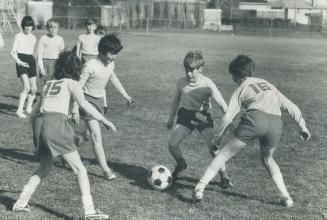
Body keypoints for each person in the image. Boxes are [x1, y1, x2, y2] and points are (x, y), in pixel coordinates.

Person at [193, 55, 311, 207]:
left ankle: (199, 187)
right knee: (268, 159)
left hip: (255, 120)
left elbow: (228, 117)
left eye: (232, 76)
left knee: (223, 154)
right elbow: (290, 105)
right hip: (275, 123)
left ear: (236, 75)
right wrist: (302, 126)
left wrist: (218, 137)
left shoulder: (240, 89)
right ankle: (286, 196)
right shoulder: (267, 84)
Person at [12, 51, 114, 219]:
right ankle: (90, 212)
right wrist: (105, 120)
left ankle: (21, 202)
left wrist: (39, 133)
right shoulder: (73, 84)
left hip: (40, 124)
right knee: (80, 169)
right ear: (76, 68)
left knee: (45, 166)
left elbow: (32, 115)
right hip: (56, 124)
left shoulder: (48, 84)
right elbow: (85, 105)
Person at [166, 50, 233, 188]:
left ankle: (224, 176)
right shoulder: (181, 82)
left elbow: (222, 104)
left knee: (213, 147)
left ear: (200, 69)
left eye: (192, 70)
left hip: (203, 117)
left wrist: (230, 123)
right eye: (186, 69)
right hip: (185, 116)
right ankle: (181, 164)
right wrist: (171, 118)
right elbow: (176, 100)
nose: (189, 73)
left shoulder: (207, 84)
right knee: (172, 144)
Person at [73, 34, 132, 181]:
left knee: (87, 135)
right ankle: (106, 170)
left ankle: (70, 146)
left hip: (99, 101)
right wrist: (75, 108)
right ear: (102, 51)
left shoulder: (110, 64)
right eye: (112, 53)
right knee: (96, 136)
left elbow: (113, 78)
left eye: (116, 54)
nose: (114, 57)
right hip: (87, 101)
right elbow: (77, 88)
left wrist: (124, 94)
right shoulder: (90, 66)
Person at [11, 16, 37, 118]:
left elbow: (31, 52)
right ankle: (19, 110)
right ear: (23, 26)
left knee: (34, 89)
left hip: (31, 61)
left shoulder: (34, 38)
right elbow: (12, 52)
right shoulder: (18, 36)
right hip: (21, 60)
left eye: (30, 26)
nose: (28, 28)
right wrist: (20, 62)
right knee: (27, 87)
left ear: (32, 26)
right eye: (26, 25)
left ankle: (28, 108)